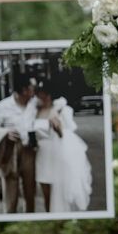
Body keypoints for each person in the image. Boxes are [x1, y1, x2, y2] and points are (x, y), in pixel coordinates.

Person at [0, 73, 39, 213]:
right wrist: (6, 132)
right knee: (10, 189)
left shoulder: (34, 103)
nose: (35, 90)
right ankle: (9, 215)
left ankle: (30, 217)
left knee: (30, 189)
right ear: (24, 90)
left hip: (29, 150)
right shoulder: (2, 106)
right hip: (10, 150)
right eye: (32, 88)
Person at [34, 83, 93, 213]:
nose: (38, 98)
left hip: (55, 154)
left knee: (57, 191)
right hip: (41, 154)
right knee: (45, 189)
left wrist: (57, 127)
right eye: (38, 95)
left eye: (41, 95)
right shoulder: (35, 110)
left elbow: (64, 134)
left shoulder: (60, 110)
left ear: (48, 96)